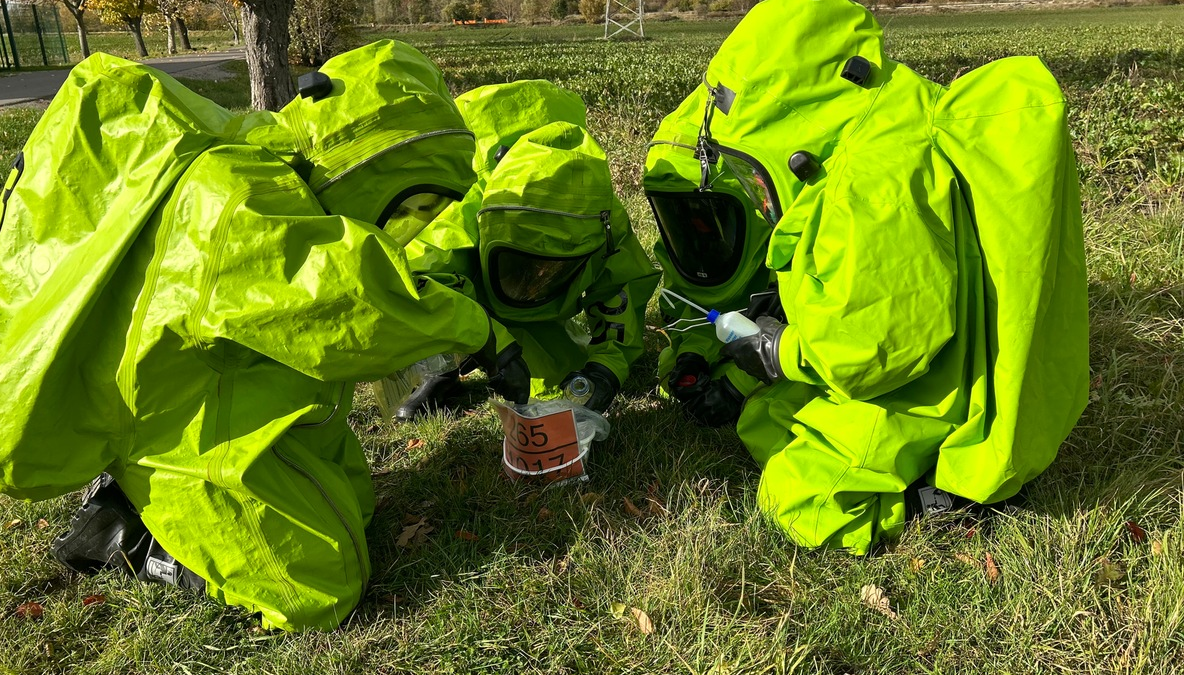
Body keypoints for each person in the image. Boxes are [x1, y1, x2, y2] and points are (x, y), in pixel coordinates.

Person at [0, 41, 527, 631]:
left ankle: (146, 503)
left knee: (356, 507)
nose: (405, 228)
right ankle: (133, 534)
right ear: (364, 163)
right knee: (319, 589)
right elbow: (348, 299)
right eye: (411, 203)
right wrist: (480, 333)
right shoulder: (236, 196)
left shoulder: (266, 174)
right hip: (174, 428)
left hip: (215, 394)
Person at [693, 0, 1089, 553]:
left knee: (798, 501)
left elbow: (875, 348)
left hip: (925, 391)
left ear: (796, 125)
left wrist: (779, 351)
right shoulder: (886, 120)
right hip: (935, 362)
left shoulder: (872, 190)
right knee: (767, 417)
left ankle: (937, 499)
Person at [397, 80, 660, 419]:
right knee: (432, 308)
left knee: (560, 376)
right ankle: (439, 370)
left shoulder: (600, 215)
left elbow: (621, 287)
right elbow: (425, 283)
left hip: (533, 306)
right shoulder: (464, 205)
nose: (537, 277)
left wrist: (607, 367)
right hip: (478, 286)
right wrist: (493, 344)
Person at [643, 83, 776, 428]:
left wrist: (736, 386)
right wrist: (692, 356)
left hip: (790, 350)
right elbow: (696, 310)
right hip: (747, 339)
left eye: (707, 219)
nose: (697, 231)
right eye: (683, 217)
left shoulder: (783, 244)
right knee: (670, 371)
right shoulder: (684, 249)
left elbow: (810, 335)